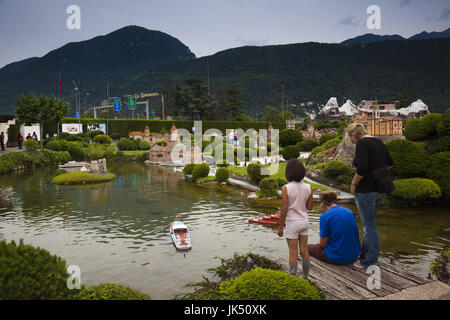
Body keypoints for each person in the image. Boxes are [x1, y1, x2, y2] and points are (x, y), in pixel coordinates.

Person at [346, 123, 394, 268]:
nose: (351, 141)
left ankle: (370, 260)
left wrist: (353, 184)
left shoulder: (362, 144)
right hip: (380, 189)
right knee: (370, 224)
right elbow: (390, 164)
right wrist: (378, 175)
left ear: (354, 134)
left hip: (366, 190)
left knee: (369, 226)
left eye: (350, 138)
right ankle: (364, 255)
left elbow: (362, 169)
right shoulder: (378, 142)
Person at [277, 158, 313, 278]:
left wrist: (280, 227)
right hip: (304, 222)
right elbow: (310, 207)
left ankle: (293, 279)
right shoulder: (309, 187)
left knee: (293, 252)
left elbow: (284, 210)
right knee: (304, 251)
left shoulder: (286, 188)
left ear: (288, 172)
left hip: (292, 223)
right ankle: (306, 278)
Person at [308, 191, 361, 265]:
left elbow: (323, 244)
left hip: (337, 257)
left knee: (307, 247)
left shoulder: (325, 216)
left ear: (323, 204)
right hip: (354, 255)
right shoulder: (349, 212)